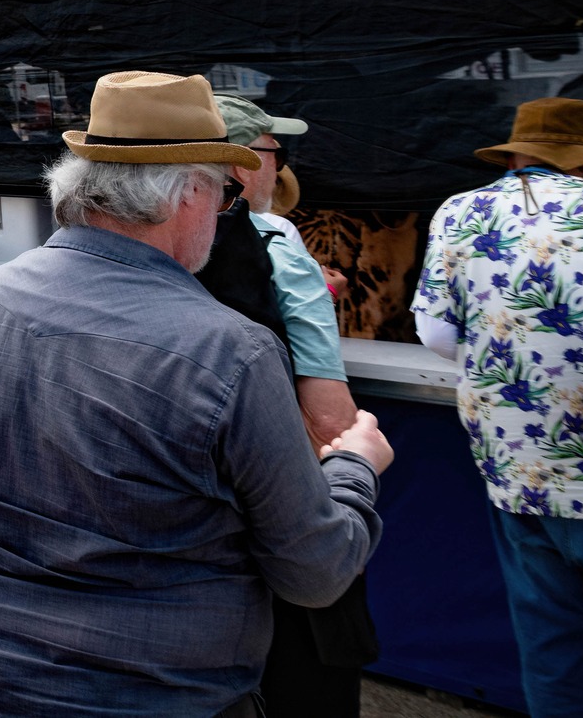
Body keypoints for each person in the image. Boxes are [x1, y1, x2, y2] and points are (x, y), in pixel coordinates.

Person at [0, 71, 392, 717]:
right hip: (155, 695)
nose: (230, 212)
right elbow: (314, 571)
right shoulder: (231, 351)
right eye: (227, 193)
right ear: (187, 195)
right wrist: (355, 466)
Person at [413, 97, 583, 718]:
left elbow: (436, 336)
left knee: (550, 649)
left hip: (519, 472)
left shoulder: (460, 212)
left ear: (515, 154)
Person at [203, 96, 370, 716]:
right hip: (275, 507)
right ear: (245, 163)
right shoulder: (276, 238)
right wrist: (358, 458)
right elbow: (329, 417)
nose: (281, 166)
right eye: (277, 152)